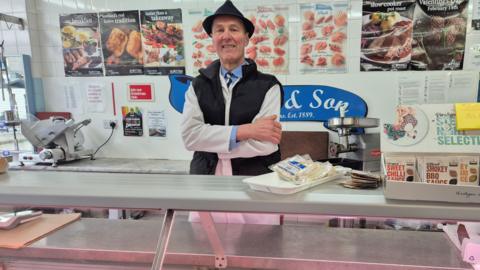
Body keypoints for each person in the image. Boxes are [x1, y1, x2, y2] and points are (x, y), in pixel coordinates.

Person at [181, 0, 283, 224]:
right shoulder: (197, 86)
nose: (226, 36)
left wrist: (212, 144)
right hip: (206, 184)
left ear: (246, 38)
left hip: (255, 184)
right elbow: (190, 137)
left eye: (234, 29)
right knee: (205, 249)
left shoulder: (268, 86)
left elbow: (266, 144)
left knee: (259, 251)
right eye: (219, 30)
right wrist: (245, 131)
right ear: (213, 39)